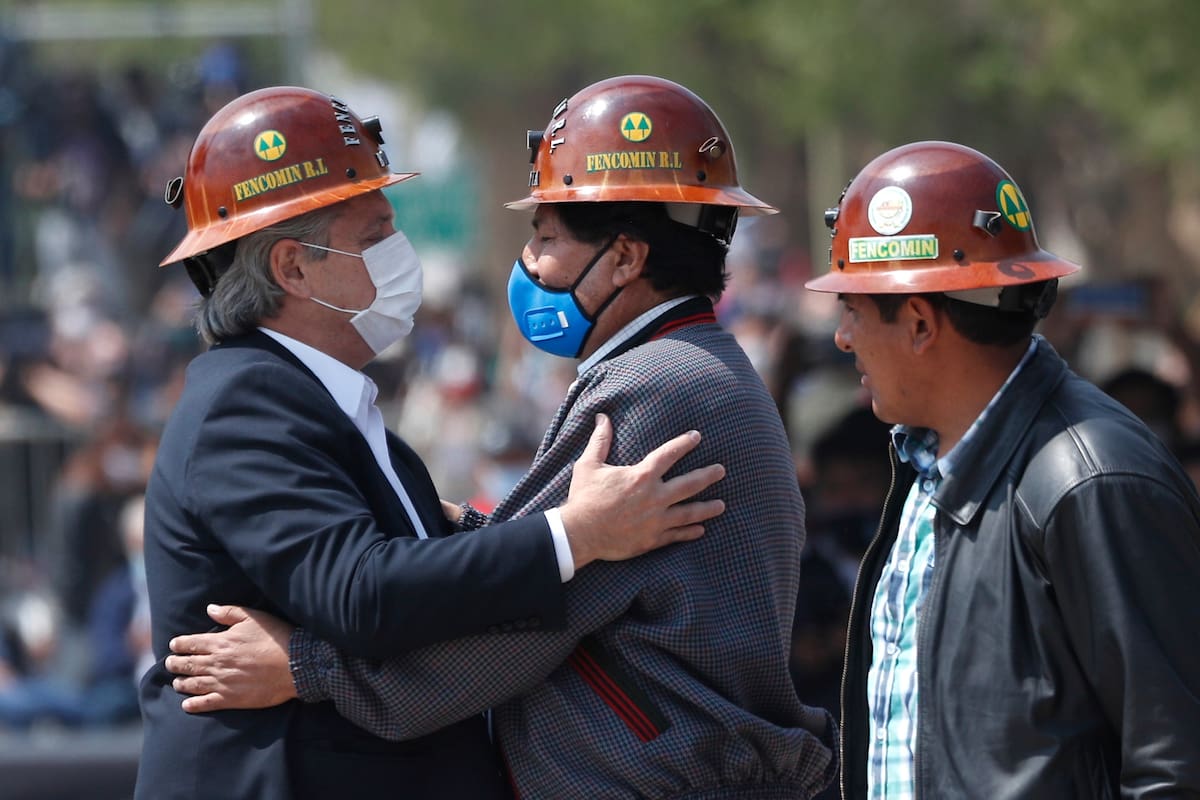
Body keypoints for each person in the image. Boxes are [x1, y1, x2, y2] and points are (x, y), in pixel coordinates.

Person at [167, 75, 837, 799]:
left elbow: (523, 626)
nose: (530, 264)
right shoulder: (691, 368)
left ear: (624, 258)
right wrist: (498, 531)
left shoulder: (650, 388)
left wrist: (307, 667)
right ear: (290, 267)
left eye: (546, 236)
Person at [803, 140, 1200, 797]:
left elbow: (1175, 765)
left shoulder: (1091, 481)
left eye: (853, 309)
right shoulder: (927, 466)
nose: (843, 337)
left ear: (922, 323)